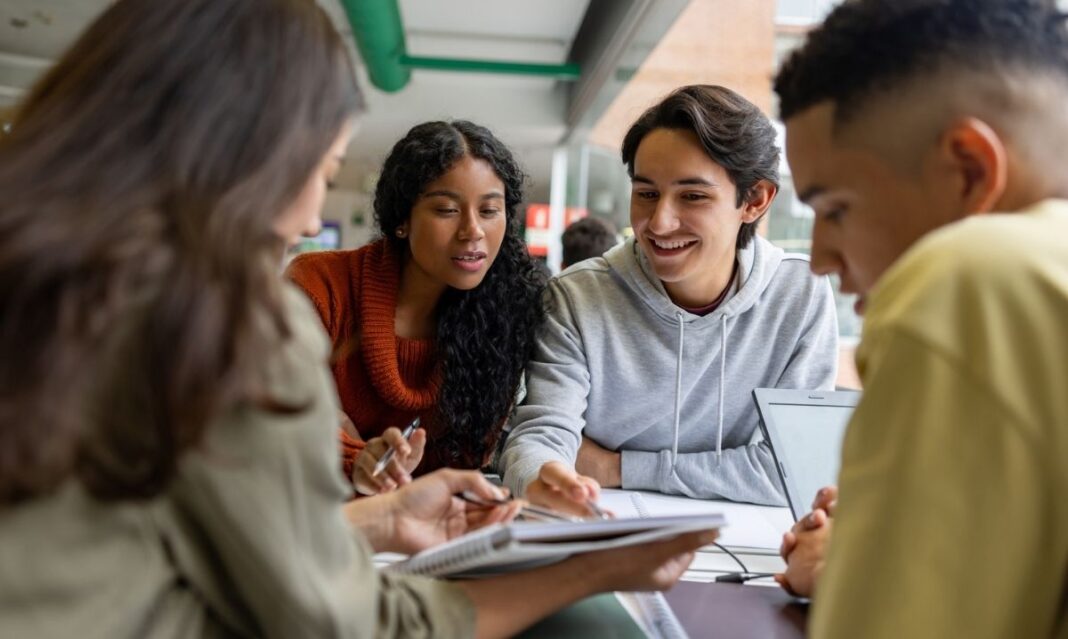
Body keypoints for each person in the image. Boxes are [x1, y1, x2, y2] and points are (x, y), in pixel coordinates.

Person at [0, 1, 718, 637]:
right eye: (322, 166)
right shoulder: (228, 322)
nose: (314, 212)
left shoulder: (52, 277)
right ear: (253, 153)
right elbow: (348, 621)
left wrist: (379, 516)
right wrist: (594, 570)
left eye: (491, 209)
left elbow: (177, 522)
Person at [771, 0, 1068, 636]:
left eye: (837, 209)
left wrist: (863, 569)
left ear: (968, 170)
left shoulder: (975, 280)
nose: (821, 259)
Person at [501, 85, 839, 513]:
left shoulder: (799, 294)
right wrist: (542, 474)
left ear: (754, 200)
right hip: (603, 528)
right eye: (646, 193)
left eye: (692, 196)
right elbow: (540, 439)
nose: (658, 222)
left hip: (747, 546)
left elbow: (795, 471)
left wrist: (618, 468)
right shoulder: (577, 297)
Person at [286, 120, 545, 495]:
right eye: (446, 210)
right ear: (402, 220)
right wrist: (354, 456)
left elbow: (464, 464)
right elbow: (278, 419)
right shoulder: (319, 287)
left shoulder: (504, 315)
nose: (473, 230)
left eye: (489, 211)